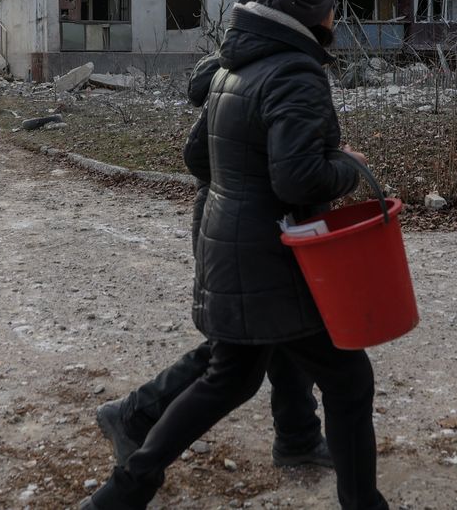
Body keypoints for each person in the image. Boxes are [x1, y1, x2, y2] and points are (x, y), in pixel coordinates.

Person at [84, 0, 388, 510]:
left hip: (231, 243)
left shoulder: (230, 69)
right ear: (315, 16)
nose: (333, 21)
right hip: (276, 256)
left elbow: (196, 154)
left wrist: (239, 186)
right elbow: (299, 179)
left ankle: (121, 494)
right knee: (347, 378)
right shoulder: (296, 72)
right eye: (330, 10)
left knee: (231, 377)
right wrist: (346, 162)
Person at [95, 30, 331, 472]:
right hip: (237, 227)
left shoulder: (241, 71)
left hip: (239, 222)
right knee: (236, 352)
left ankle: (298, 436)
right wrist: (251, 176)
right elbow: (197, 157)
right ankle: (132, 415)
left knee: (285, 331)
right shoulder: (242, 76)